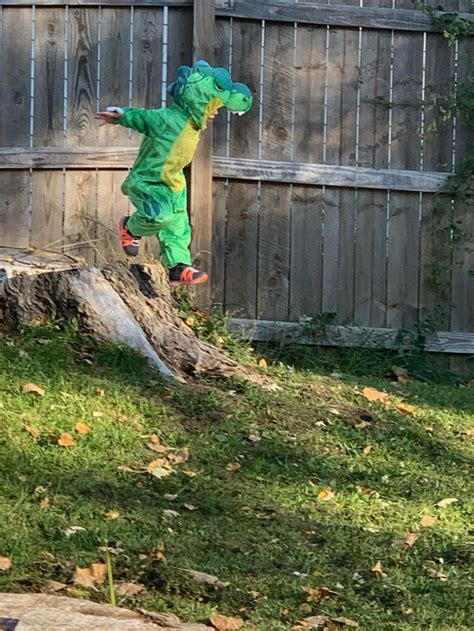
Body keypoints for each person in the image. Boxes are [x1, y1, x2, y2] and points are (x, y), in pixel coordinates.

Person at [95, 60, 252, 286]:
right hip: (148, 181)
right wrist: (122, 115)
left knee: (178, 227)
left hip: (174, 181)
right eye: (214, 104)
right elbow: (144, 118)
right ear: (198, 97)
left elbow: (199, 116)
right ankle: (131, 226)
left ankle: (177, 267)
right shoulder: (167, 118)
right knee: (161, 216)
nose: (215, 111)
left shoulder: (193, 121)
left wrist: (206, 113)